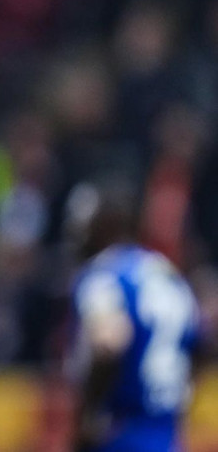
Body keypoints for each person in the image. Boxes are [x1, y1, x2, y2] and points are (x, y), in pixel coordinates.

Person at [63, 177, 201, 452]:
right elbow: (201, 340)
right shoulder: (167, 273)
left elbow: (109, 342)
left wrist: (90, 414)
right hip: (166, 433)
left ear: (104, 224)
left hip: (121, 432)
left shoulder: (103, 276)